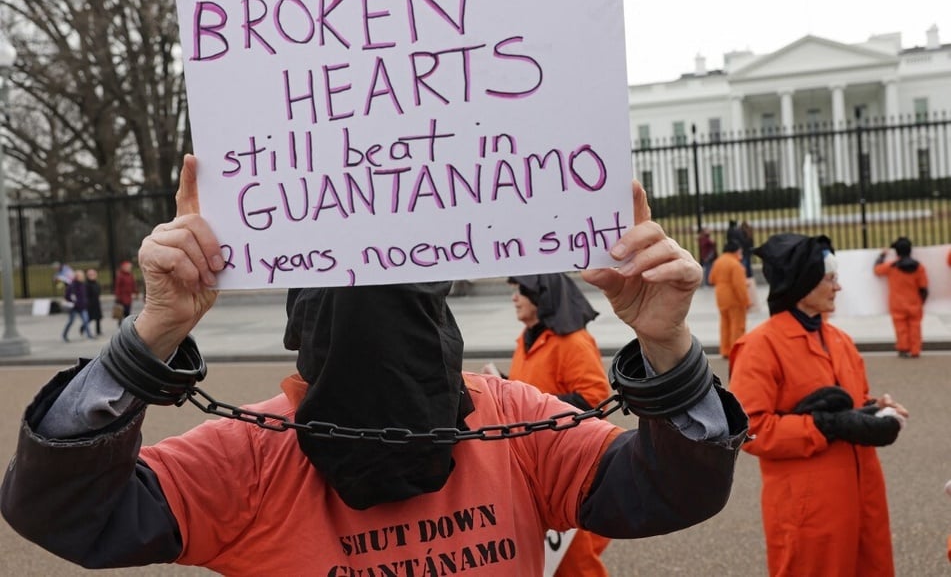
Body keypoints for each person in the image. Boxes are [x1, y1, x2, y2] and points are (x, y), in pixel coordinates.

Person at [0, 156, 748, 575]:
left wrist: (667, 344)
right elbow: (64, 514)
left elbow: (666, 492)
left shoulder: (512, 424)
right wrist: (149, 332)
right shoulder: (247, 461)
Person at [728, 233, 908, 577]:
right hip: (809, 507)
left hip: (864, 494)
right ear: (802, 283)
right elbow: (750, 429)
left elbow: (855, 401)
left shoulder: (840, 340)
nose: (838, 287)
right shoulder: (760, 346)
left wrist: (875, 409)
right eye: (830, 278)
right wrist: (823, 426)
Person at [504, 273, 613, 577]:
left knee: (575, 564)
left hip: (564, 470)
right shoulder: (525, 339)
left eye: (520, 292)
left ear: (541, 296)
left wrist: (531, 406)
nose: (514, 298)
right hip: (530, 468)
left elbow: (594, 399)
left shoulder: (573, 342)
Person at [874, 237, 929, 358]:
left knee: (900, 327)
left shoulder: (891, 267)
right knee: (915, 327)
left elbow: (877, 270)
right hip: (914, 302)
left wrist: (882, 255)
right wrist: (921, 302)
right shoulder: (919, 267)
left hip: (897, 303)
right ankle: (915, 350)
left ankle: (903, 348)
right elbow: (924, 288)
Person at [708, 240, 750, 359]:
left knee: (725, 325)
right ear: (736, 251)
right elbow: (739, 286)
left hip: (720, 297)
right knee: (737, 325)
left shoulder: (718, 262)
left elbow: (711, 279)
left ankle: (725, 350)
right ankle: (735, 350)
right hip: (734, 298)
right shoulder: (735, 264)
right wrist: (746, 301)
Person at [61, 271, 94, 341]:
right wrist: (74, 301)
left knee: (86, 320)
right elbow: (67, 296)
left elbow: (85, 295)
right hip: (74, 307)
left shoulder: (83, 285)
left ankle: (89, 335)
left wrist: (86, 302)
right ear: (76, 277)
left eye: (82, 276)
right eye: (80, 276)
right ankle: (64, 335)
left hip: (82, 306)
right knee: (71, 321)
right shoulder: (72, 286)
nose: (82, 277)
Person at [85, 268, 103, 337]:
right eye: (90, 275)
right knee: (90, 318)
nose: (92, 276)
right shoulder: (86, 284)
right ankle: (83, 327)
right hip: (90, 303)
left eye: (93, 274)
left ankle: (98, 331)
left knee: (98, 317)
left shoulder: (96, 283)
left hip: (96, 302)